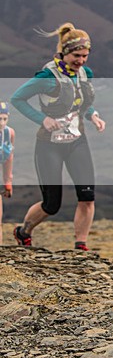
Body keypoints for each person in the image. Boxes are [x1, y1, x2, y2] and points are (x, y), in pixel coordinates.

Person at [11, 22, 106, 251]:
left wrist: (93, 116)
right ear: (64, 52)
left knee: (87, 196)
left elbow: (82, 102)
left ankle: (80, 246)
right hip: (49, 145)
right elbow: (17, 99)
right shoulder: (47, 76)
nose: (81, 61)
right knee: (52, 204)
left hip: (77, 141)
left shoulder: (85, 73)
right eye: (76, 55)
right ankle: (23, 232)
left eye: (85, 56)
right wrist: (41, 119)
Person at [0, 101, 14, 244]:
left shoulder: (8, 133)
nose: (2, 123)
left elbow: (9, 156)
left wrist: (8, 181)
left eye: (5, 119)